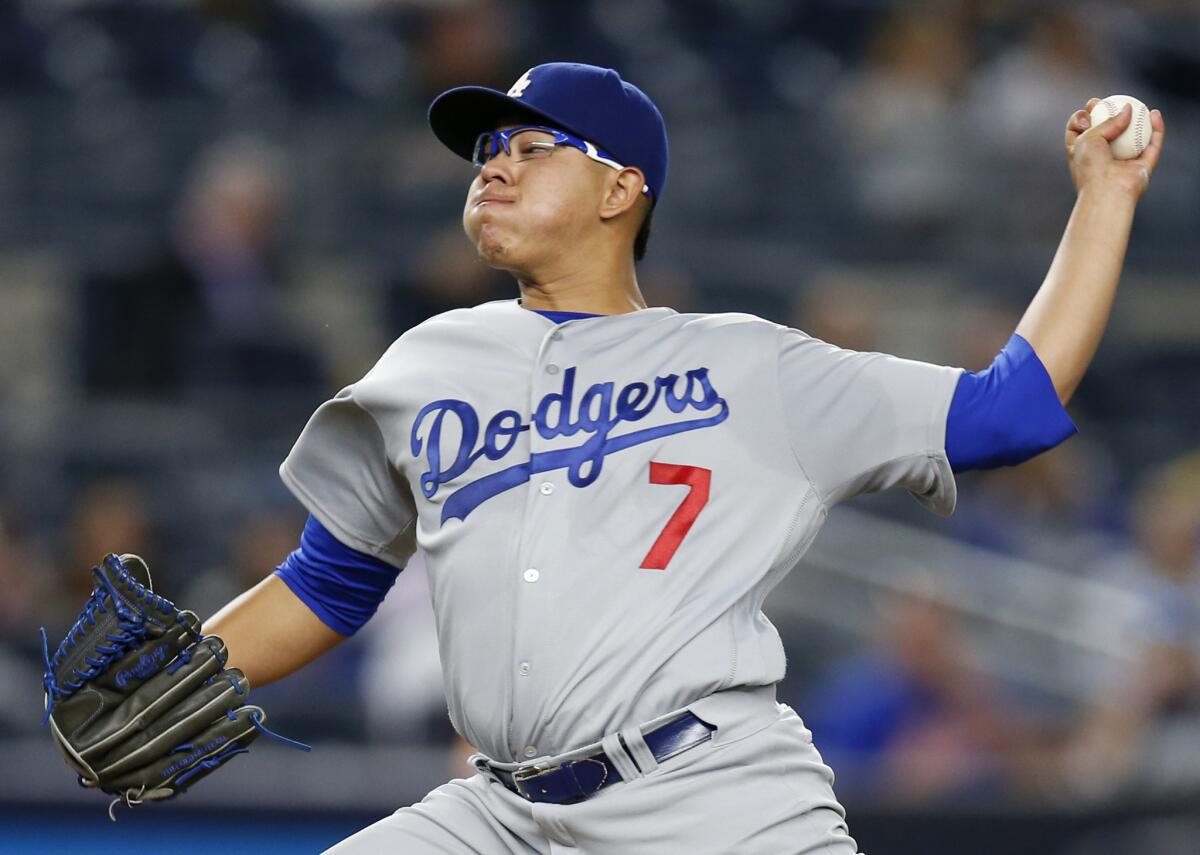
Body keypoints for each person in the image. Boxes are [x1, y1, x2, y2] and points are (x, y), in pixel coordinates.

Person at [202, 63, 1164, 853]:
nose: (493, 167)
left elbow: (1012, 410)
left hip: (713, 800)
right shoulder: (427, 362)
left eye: (533, 148)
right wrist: (184, 672)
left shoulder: (750, 365)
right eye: (487, 152)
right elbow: (327, 583)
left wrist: (1105, 197)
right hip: (501, 815)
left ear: (622, 189)